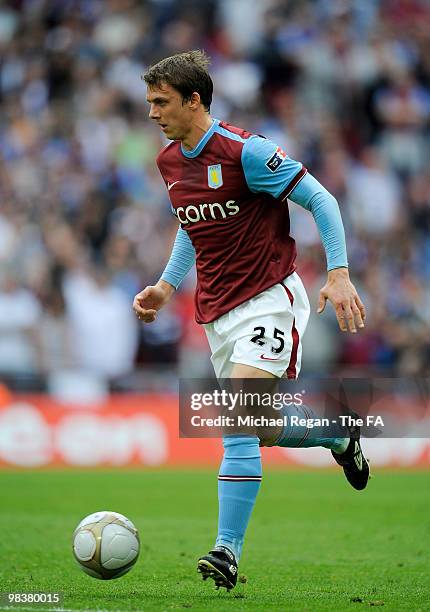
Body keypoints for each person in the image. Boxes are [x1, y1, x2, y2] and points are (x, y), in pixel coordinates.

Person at [133, 50, 369, 591]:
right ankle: (338, 436)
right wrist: (167, 286)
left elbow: (322, 200)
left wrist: (339, 272)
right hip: (216, 311)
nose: (152, 113)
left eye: (161, 102)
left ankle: (225, 552)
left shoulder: (248, 152)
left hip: (269, 298)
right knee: (259, 427)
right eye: (149, 102)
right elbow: (191, 225)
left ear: (195, 100)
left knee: (236, 423)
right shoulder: (170, 163)